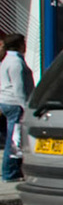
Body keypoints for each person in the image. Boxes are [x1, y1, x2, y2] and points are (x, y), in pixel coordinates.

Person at [0, 33, 32, 183]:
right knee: (14, 140)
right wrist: (25, 107)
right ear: (19, 44)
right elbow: (19, 88)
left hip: (7, 102)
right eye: (23, 43)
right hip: (15, 104)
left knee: (14, 138)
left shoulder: (7, 60)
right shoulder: (16, 63)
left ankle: (14, 171)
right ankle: (10, 172)